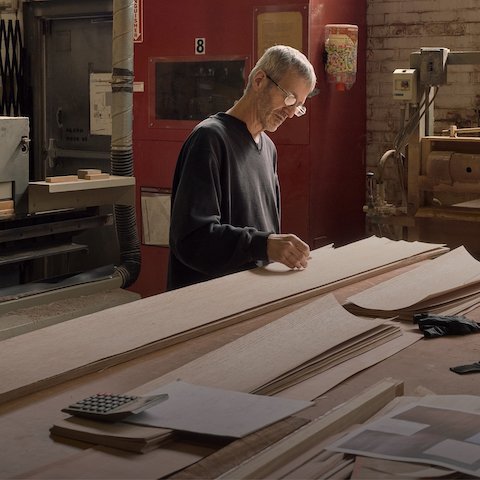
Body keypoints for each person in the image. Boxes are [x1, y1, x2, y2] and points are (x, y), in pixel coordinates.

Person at [167, 45, 317, 290]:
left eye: (298, 106)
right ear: (259, 80)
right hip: (208, 304)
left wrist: (274, 250)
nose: (290, 113)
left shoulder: (268, 149)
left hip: (250, 298)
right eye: (289, 98)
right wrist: (264, 245)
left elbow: (265, 237)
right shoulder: (210, 139)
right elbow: (191, 240)